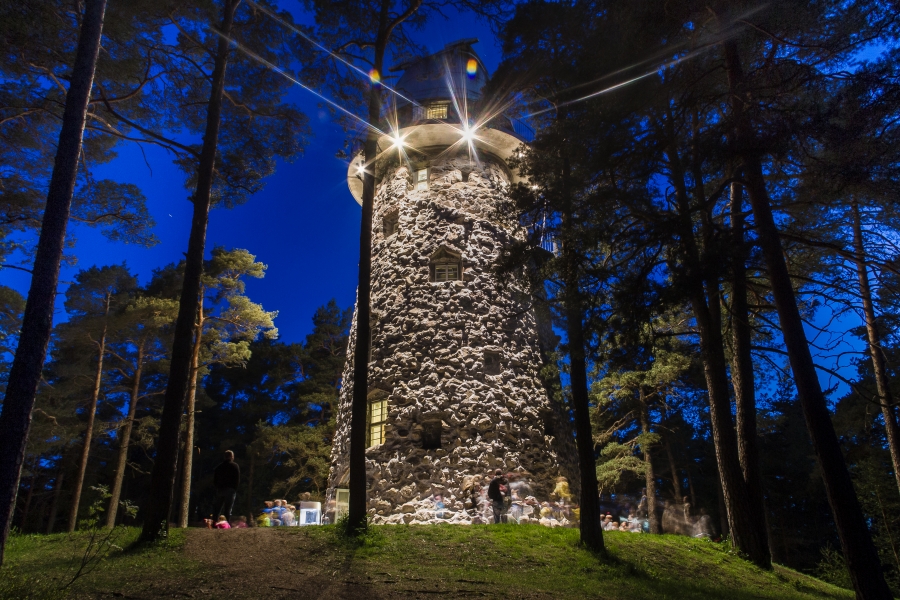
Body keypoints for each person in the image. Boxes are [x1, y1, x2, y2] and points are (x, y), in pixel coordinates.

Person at [213, 450, 240, 523]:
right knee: (228, 509)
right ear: (231, 456)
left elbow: (215, 479)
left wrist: (217, 487)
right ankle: (226, 524)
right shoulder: (235, 466)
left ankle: (215, 523)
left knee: (217, 509)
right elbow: (237, 479)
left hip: (220, 489)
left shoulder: (219, 467)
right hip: (231, 490)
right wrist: (235, 488)